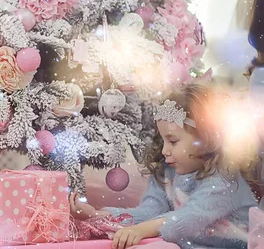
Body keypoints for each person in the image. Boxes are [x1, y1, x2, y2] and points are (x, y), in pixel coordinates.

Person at [69, 83, 258, 249]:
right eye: (164, 140)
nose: (165, 151)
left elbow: (188, 220)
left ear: (206, 138)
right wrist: (98, 215)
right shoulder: (168, 171)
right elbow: (149, 212)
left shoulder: (225, 179)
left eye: (173, 141)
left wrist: (142, 230)